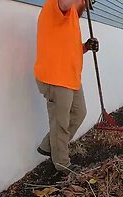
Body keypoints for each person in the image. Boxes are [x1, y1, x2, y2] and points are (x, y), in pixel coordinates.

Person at [34, 0, 99, 175]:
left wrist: (85, 47)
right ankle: (62, 165)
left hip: (70, 77)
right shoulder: (56, 6)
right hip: (55, 77)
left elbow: (68, 48)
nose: (85, 8)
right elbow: (64, 3)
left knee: (79, 113)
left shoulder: (71, 19)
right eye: (85, 4)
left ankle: (49, 145)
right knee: (60, 123)